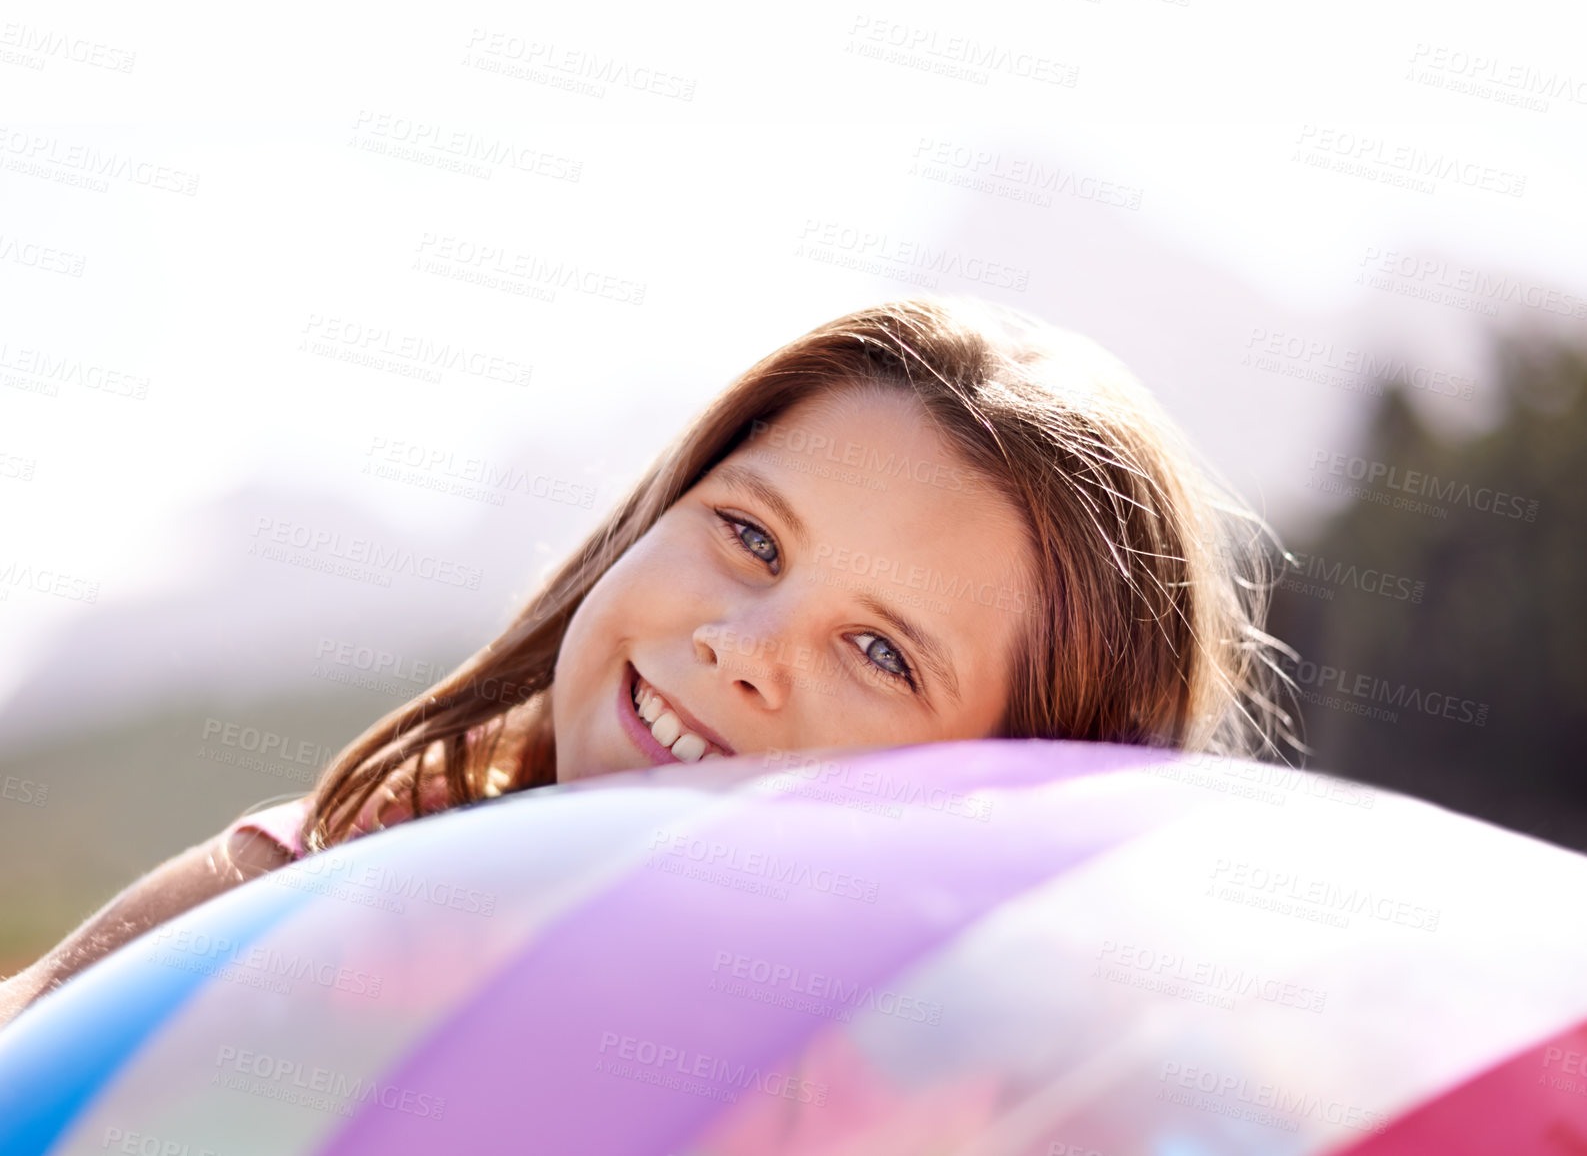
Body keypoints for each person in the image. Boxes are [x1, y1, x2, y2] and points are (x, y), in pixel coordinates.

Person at [0, 295, 1299, 1026]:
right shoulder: (308, 896)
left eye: (878, 652)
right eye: (747, 534)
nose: (741, 648)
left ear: (1015, 795)